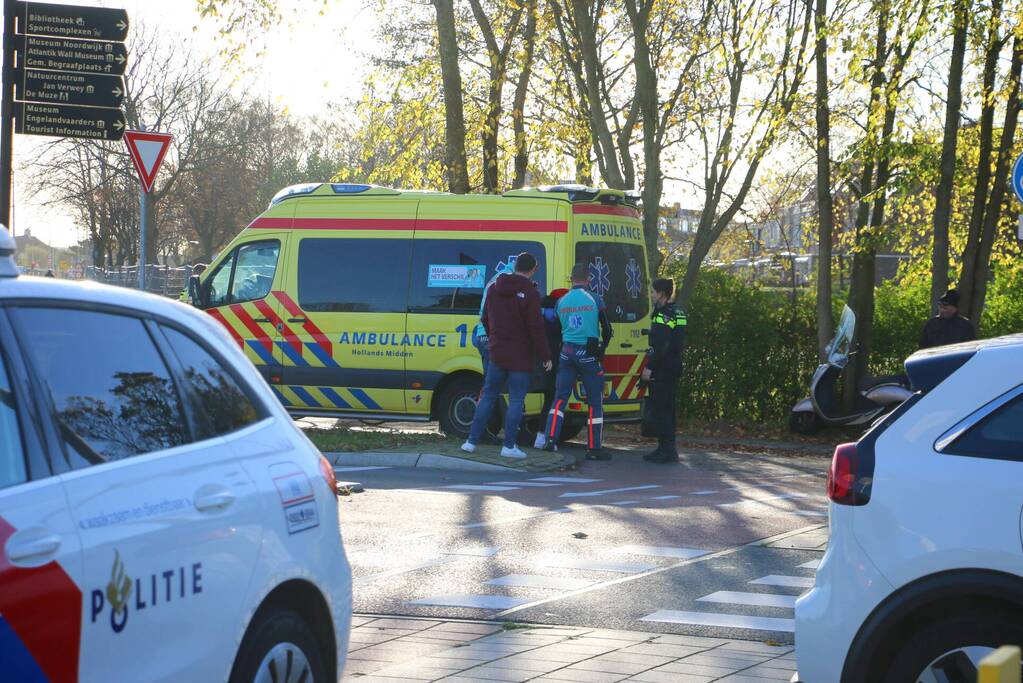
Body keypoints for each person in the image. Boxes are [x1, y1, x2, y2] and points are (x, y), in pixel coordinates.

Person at [462, 253, 552, 458]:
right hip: (520, 355)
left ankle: (470, 441)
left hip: (497, 352)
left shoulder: (494, 287)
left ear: (515, 266)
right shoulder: (531, 293)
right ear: (533, 269)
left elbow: (484, 317)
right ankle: (509, 446)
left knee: (488, 394)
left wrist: (495, 338)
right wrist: (545, 355)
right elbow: (536, 327)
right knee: (517, 399)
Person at [540, 264, 614, 460]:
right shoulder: (595, 299)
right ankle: (594, 448)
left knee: (559, 398)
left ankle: (550, 440)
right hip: (588, 354)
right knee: (594, 402)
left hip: (566, 353)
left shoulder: (561, 301)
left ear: (571, 279)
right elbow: (607, 329)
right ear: (588, 279)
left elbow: (555, 326)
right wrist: (601, 350)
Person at [642, 278, 687, 464]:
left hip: (662, 367)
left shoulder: (663, 315)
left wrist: (649, 367)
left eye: (653, 292)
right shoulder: (679, 311)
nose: (652, 295)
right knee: (668, 407)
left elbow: (661, 345)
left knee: (662, 408)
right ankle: (665, 447)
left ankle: (666, 450)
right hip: (674, 364)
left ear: (661, 293)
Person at [533, 287, 569, 449]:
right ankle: (543, 437)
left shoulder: (540, 313)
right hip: (552, 362)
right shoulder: (559, 317)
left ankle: (537, 437)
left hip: (535, 362)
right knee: (552, 400)